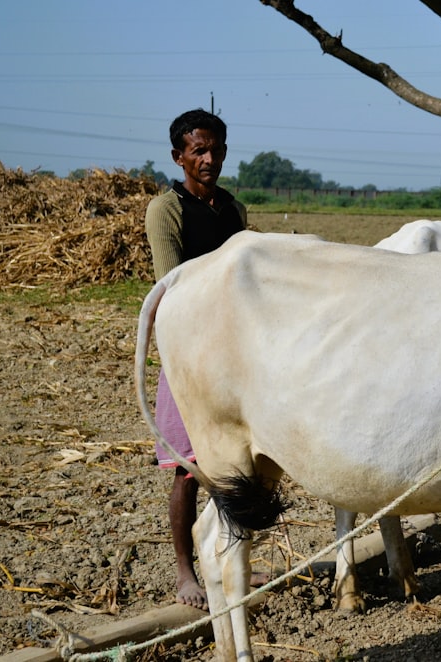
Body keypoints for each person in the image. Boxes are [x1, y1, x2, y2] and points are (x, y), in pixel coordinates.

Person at [145, 108, 247, 610]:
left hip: (234, 350)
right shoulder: (167, 209)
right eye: (198, 151)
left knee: (237, 462)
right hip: (189, 350)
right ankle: (186, 572)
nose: (209, 159)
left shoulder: (233, 209)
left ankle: (228, 555)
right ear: (178, 156)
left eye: (216, 150)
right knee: (188, 467)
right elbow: (172, 287)